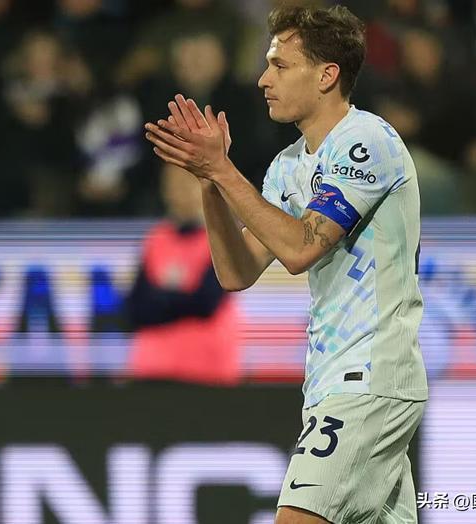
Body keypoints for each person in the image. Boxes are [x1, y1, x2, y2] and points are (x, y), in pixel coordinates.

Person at [145, 5, 428, 523]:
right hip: (328, 381)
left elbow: (300, 249)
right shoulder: (288, 166)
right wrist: (209, 183)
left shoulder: (366, 143)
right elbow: (236, 272)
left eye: (279, 65)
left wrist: (224, 170)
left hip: (368, 377)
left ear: (326, 75)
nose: (263, 79)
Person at [126, 163, 240, 385]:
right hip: (152, 369)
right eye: (173, 184)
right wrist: (180, 300)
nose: (179, 191)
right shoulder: (155, 239)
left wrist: (160, 300)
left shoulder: (223, 237)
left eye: (188, 182)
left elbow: (206, 302)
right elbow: (136, 307)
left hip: (206, 371)